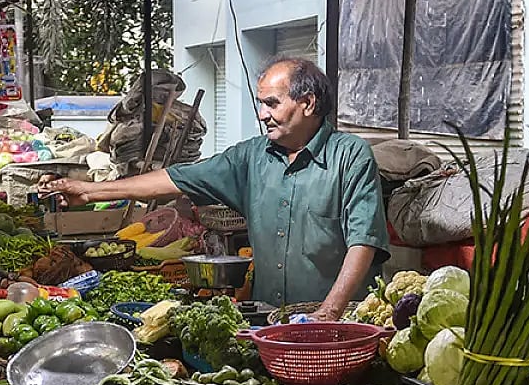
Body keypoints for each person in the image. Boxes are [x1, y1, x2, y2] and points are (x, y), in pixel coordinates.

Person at [43, 57, 389, 319]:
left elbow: (364, 242)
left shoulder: (350, 155)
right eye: (260, 103)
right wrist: (89, 192)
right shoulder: (251, 157)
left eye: (272, 103)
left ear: (308, 104)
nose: (262, 114)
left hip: (342, 324)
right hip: (273, 320)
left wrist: (328, 313)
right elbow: (175, 178)